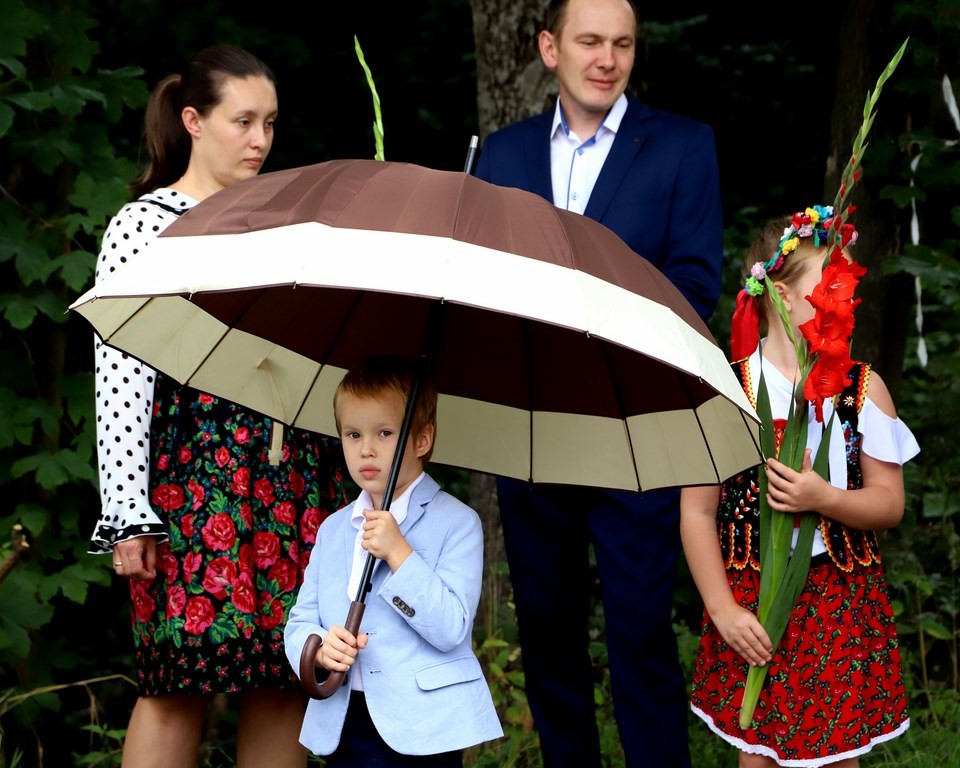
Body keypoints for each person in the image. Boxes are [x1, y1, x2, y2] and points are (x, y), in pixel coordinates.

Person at [473, 0, 722, 764]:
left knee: (641, 631)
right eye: (589, 41)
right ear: (550, 48)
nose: (607, 58)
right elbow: (476, 279)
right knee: (548, 634)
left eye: (622, 43)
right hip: (530, 427)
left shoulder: (682, 145)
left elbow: (695, 284)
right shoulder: (501, 155)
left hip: (633, 424)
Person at [90, 45, 347, 768]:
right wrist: (128, 510)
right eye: (244, 121)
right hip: (193, 485)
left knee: (283, 677)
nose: (261, 140)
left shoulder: (287, 228)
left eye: (270, 123)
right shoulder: (145, 226)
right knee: (176, 682)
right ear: (193, 121)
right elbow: (120, 377)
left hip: (291, 480)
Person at [682, 209, 918, 767]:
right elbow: (696, 512)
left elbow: (890, 503)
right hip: (751, 602)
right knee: (757, 752)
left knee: (837, 753)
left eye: (849, 285)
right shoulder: (728, 390)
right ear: (782, 295)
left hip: (837, 600)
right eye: (832, 285)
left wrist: (824, 499)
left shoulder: (863, 390)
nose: (847, 298)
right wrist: (722, 608)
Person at [284, 355, 503, 766]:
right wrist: (319, 650)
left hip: (425, 726)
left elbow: (451, 627)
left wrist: (400, 554)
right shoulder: (333, 529)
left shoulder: (457, 523)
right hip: (345, 717)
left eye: (384, 433)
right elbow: (300, 622)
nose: (366, 449)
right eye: (352, 434)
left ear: (422, 440)